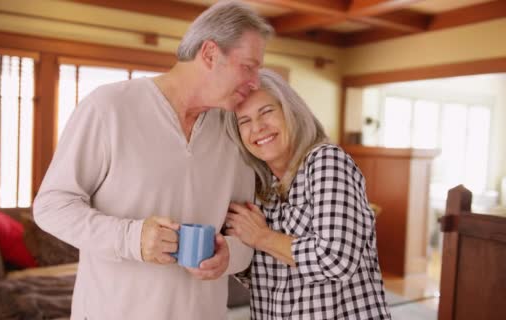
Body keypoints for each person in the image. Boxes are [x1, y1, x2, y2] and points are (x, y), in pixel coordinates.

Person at [32, 1, 274, 319]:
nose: (256, 81)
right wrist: (132, 238)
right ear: (211, 54)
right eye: (248, 66)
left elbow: (245, 231)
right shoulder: (108, 108)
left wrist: (230, 254)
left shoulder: (234, 129)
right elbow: (51, 207)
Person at [224, 69, 391, 319]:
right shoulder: (260, 184)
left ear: (290, 111)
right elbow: (262, 275)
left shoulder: (326, 161)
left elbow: (335, 259)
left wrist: (261, 237)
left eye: (267, 112)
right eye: (244, 121)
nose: (257, 128)